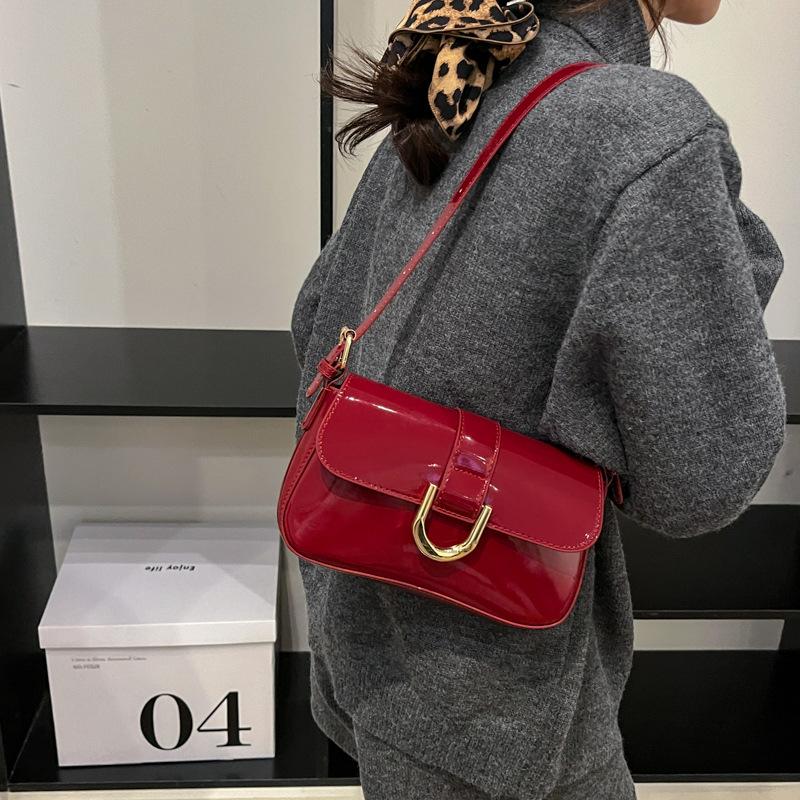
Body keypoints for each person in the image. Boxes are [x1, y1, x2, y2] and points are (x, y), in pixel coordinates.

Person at [289, 1, 786, 797]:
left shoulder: (466, 74)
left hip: (368, 632)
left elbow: (317, 319)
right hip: (508, 714)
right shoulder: (649, 128)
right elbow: (701, 478)